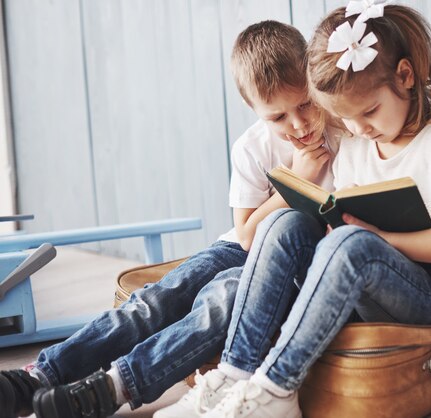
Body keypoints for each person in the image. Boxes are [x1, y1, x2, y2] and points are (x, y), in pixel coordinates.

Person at [0, 20, 336, 418]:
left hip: (291, 263)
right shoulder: (252, 147)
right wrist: (293, 185)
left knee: (221, 300)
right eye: (278, 117)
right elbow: (246, 234)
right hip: (237, 247)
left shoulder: (344, 132)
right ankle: (41, 375)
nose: (298, 125)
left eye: (305, 105)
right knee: (155, 302)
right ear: (254, 110)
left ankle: (111, 389)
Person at [186, 4, 431, 418]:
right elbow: (342, 209)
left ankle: (276, 387)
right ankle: (236, 371)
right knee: (285, 221)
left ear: (404, 77)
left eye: (368, 112)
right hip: (366, 286)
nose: (359, 129)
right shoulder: (356, 144)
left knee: (353, 242)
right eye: (347, 119)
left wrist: (379, 239)